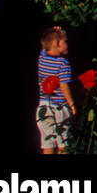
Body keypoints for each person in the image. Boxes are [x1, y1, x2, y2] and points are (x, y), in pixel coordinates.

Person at [37, 26, 76, 154]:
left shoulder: (42, 58)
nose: (67, 44)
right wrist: (71, 104)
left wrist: (52, 32)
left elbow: (44, 47)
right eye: (65, 41)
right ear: (57, 44)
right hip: (59, 108)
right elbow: (64, 86)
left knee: (47, 143)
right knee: (63, 143)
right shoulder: (63, 64)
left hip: (43, 107)